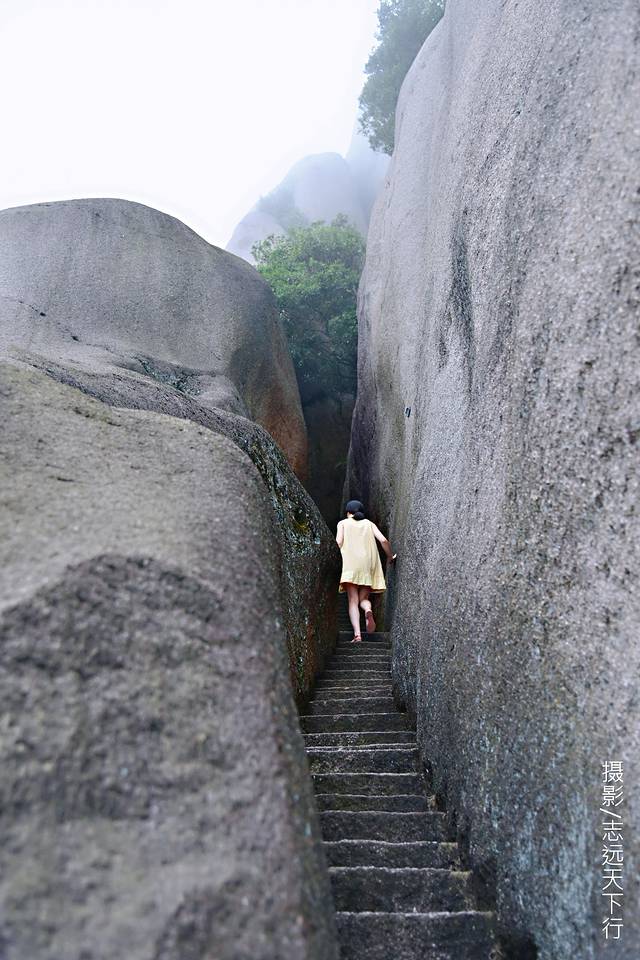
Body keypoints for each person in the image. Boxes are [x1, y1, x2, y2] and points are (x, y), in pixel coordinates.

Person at [336, 499, 397, 643]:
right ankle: (368, 611)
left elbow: (338, 542)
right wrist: (390, 557)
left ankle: (357, 635)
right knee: (364, 599)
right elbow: (383, 541)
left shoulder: (343, 523)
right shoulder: (369, 524)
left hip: (351, 564)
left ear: (348, 512)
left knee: (352, 600)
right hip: (368, 565)